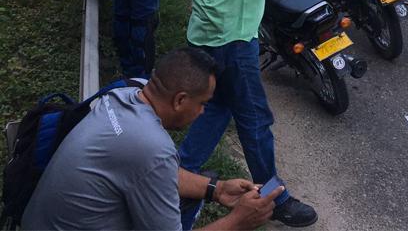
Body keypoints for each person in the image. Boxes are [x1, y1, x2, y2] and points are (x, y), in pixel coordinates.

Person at [178, 0, 316, 228]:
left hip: (208, 30)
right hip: (232, 35)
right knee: (254, 118)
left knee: (218, 108)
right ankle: (275, 198)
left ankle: (178, 175)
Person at [20, 48, 281, 231]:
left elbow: (154, 172)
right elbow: (154, 164)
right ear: (180, 100)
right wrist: (238, 221)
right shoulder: (151, 146)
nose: (202, 112)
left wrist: (218, 189)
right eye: (202, 103)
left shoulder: (124, 95)